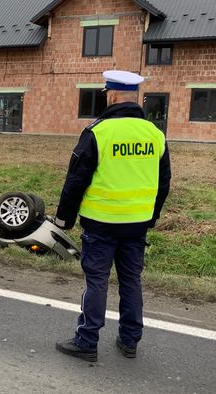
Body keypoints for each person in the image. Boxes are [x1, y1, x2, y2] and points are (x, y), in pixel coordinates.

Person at [54, 70, 171, 362]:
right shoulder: (155, 134)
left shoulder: (98, 132)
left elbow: (75, 180)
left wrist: (63, 220)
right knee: (131, 280)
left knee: (97, 281)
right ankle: (130, 340)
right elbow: (164, 182)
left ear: (114, 96)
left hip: (101, 222)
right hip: (137, 224)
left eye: (107, 94)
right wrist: (151, 216)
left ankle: (87, 341)